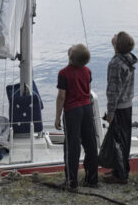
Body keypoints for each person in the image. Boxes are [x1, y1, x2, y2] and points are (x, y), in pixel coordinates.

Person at [55, 43, 98, 190]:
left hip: (73, 111)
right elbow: (88, 90)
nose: (71, 46)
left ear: (71, 58)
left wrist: (57, 117)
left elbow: (61, 96)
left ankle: (71, 182)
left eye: (72, 48)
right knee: (90, 143)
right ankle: (92, 179)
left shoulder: (63, 73)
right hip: (87, 108)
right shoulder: (87, 71)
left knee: (72, 146)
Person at [104, 31, 138, 184]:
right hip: (127, 105)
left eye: (116, 36)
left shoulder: (115, 63)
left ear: (116, 45)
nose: (114, 35)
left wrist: (110, 112)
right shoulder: (128, 59)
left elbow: (113, 91)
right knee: (124, 139)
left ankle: (120, 175)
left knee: (118, 141)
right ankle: (120, 169)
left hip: (119, 107)